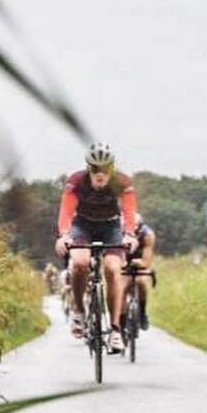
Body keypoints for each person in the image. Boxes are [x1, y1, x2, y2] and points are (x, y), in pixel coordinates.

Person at [54, 141, 137, 354]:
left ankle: (115, 329)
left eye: (105, 169)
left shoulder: (122, 181)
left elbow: (129, 211)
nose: (100, 174)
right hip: (83, 225)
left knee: (113, 269)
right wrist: (64, 235)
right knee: (80, 263)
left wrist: (130, 234)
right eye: (95, 169)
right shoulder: (76, 181)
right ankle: (79, 311)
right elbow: (66, 211)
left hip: (111, 226)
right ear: (88, 168)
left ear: (112, 169)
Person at [123, 213, 156, 330]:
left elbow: (146, 261)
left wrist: (139, 263)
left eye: (136, 228)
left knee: (141, 282)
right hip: (123, 262)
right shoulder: (118, 234)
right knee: (122, 287)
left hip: (141, 262)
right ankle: (122, 318)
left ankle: (142, 312)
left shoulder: (147, 235)